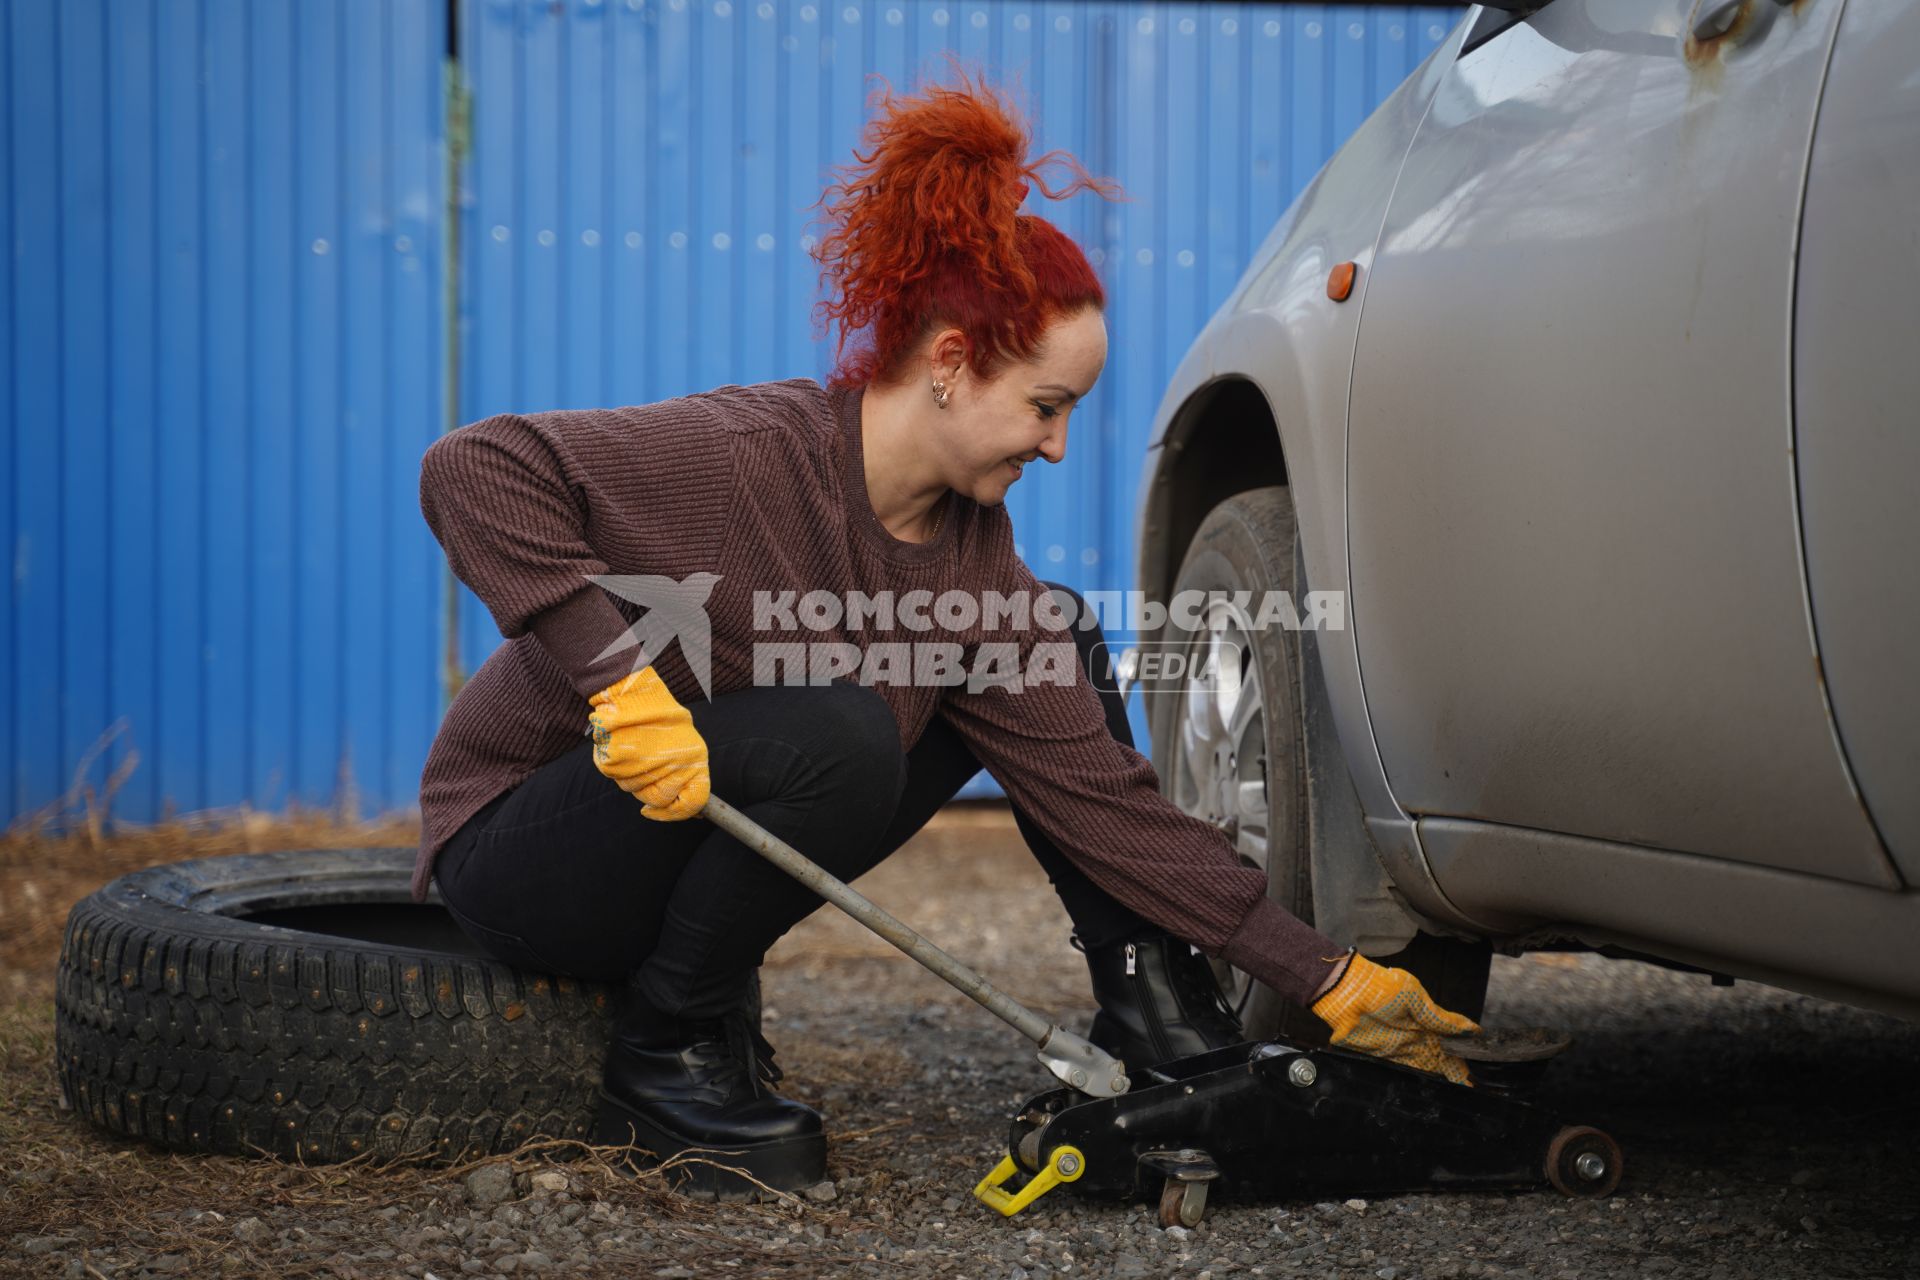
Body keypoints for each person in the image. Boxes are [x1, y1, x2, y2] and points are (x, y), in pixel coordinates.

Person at [412, 66, 1477, 1195]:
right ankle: (662, 1050)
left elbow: (1104, 804)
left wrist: (1328, 976)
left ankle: (1151, 1005)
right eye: (1047, 407)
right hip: (520, 845)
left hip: (679, 830)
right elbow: (475, 465)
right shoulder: (746, 459)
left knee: (1049, 631)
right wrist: (619, 684)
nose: (1058, 447)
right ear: (955, 364)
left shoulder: (977, 576)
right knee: (844, 733)